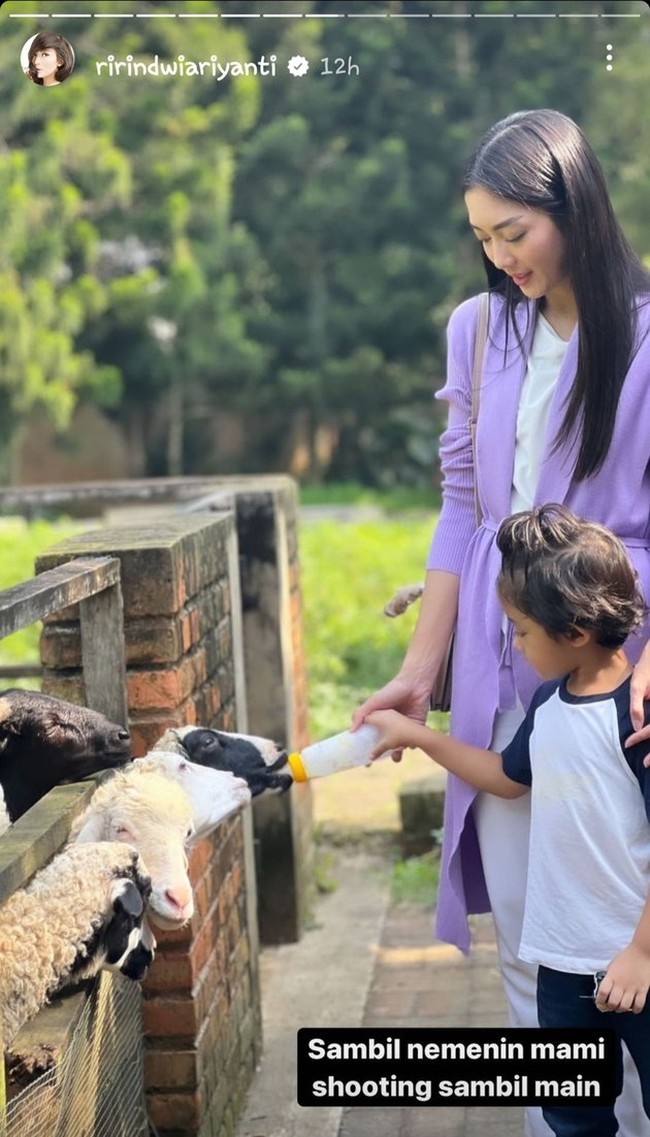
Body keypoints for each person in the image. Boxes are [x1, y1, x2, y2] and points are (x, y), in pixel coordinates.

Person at [352, 108, 650, 1137]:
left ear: (571, 206)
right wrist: (418, 666)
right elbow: (461, 508)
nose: (497, 255)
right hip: (499, 653)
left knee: (627, 908)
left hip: (622, 662)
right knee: (531, 933)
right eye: (481, 236)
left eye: (512, 231)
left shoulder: (646, 333)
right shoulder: (479, 329)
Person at [364, 505, 650, 1137]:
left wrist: (641, 952)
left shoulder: (639, 720)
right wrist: (419, 735)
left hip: (639, 965)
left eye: (520, 631)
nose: (514, 644)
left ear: (574, 630)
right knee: (572, 1115)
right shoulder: (549, 703)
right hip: (564, 965)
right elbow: (506, 778)